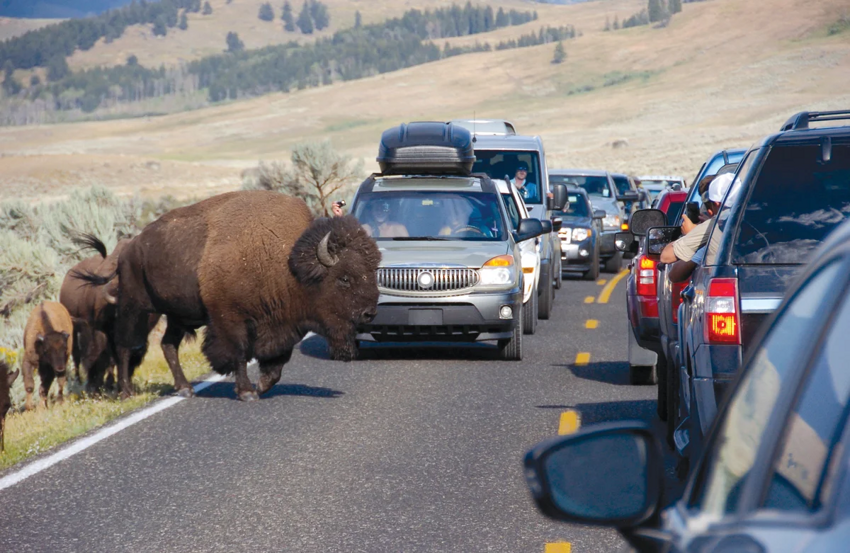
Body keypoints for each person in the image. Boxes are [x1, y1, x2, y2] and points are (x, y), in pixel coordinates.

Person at [660, 173, 734, 264]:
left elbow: (666, 257)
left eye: (709, 205)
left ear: (717, 203)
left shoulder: (714, 224)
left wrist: (693, 232)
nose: (709, 211)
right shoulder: (751, 219)